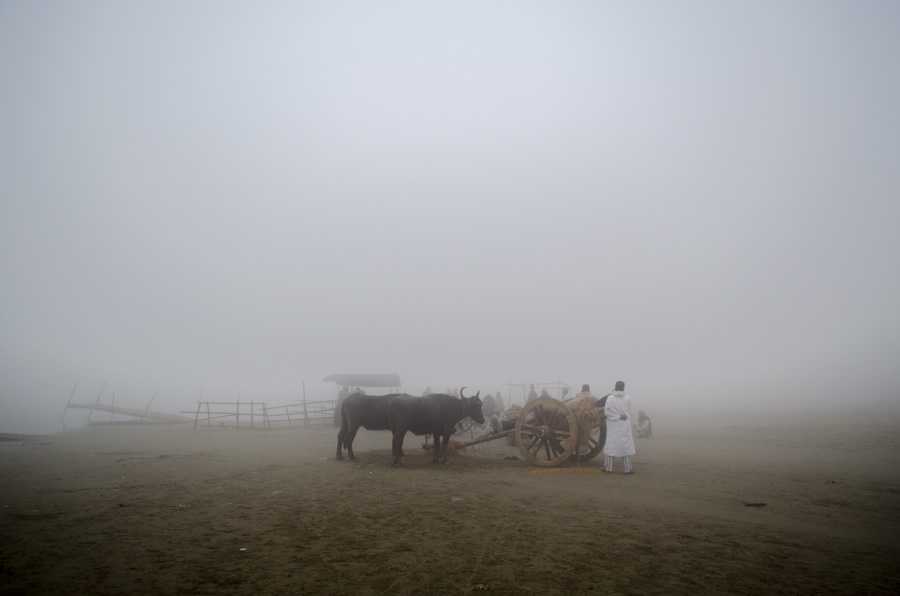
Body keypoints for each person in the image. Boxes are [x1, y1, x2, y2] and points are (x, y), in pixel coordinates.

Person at [603, 381, 635, 473]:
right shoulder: (628, 398)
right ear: (624, 388)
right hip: (624, 425)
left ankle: (608, 468)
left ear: (615, 387)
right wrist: (620, 416)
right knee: (625, 446)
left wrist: (616, 417)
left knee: (611, 445)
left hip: (613, 425)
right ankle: (627, 469)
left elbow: (606, 412)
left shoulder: (610, 398)